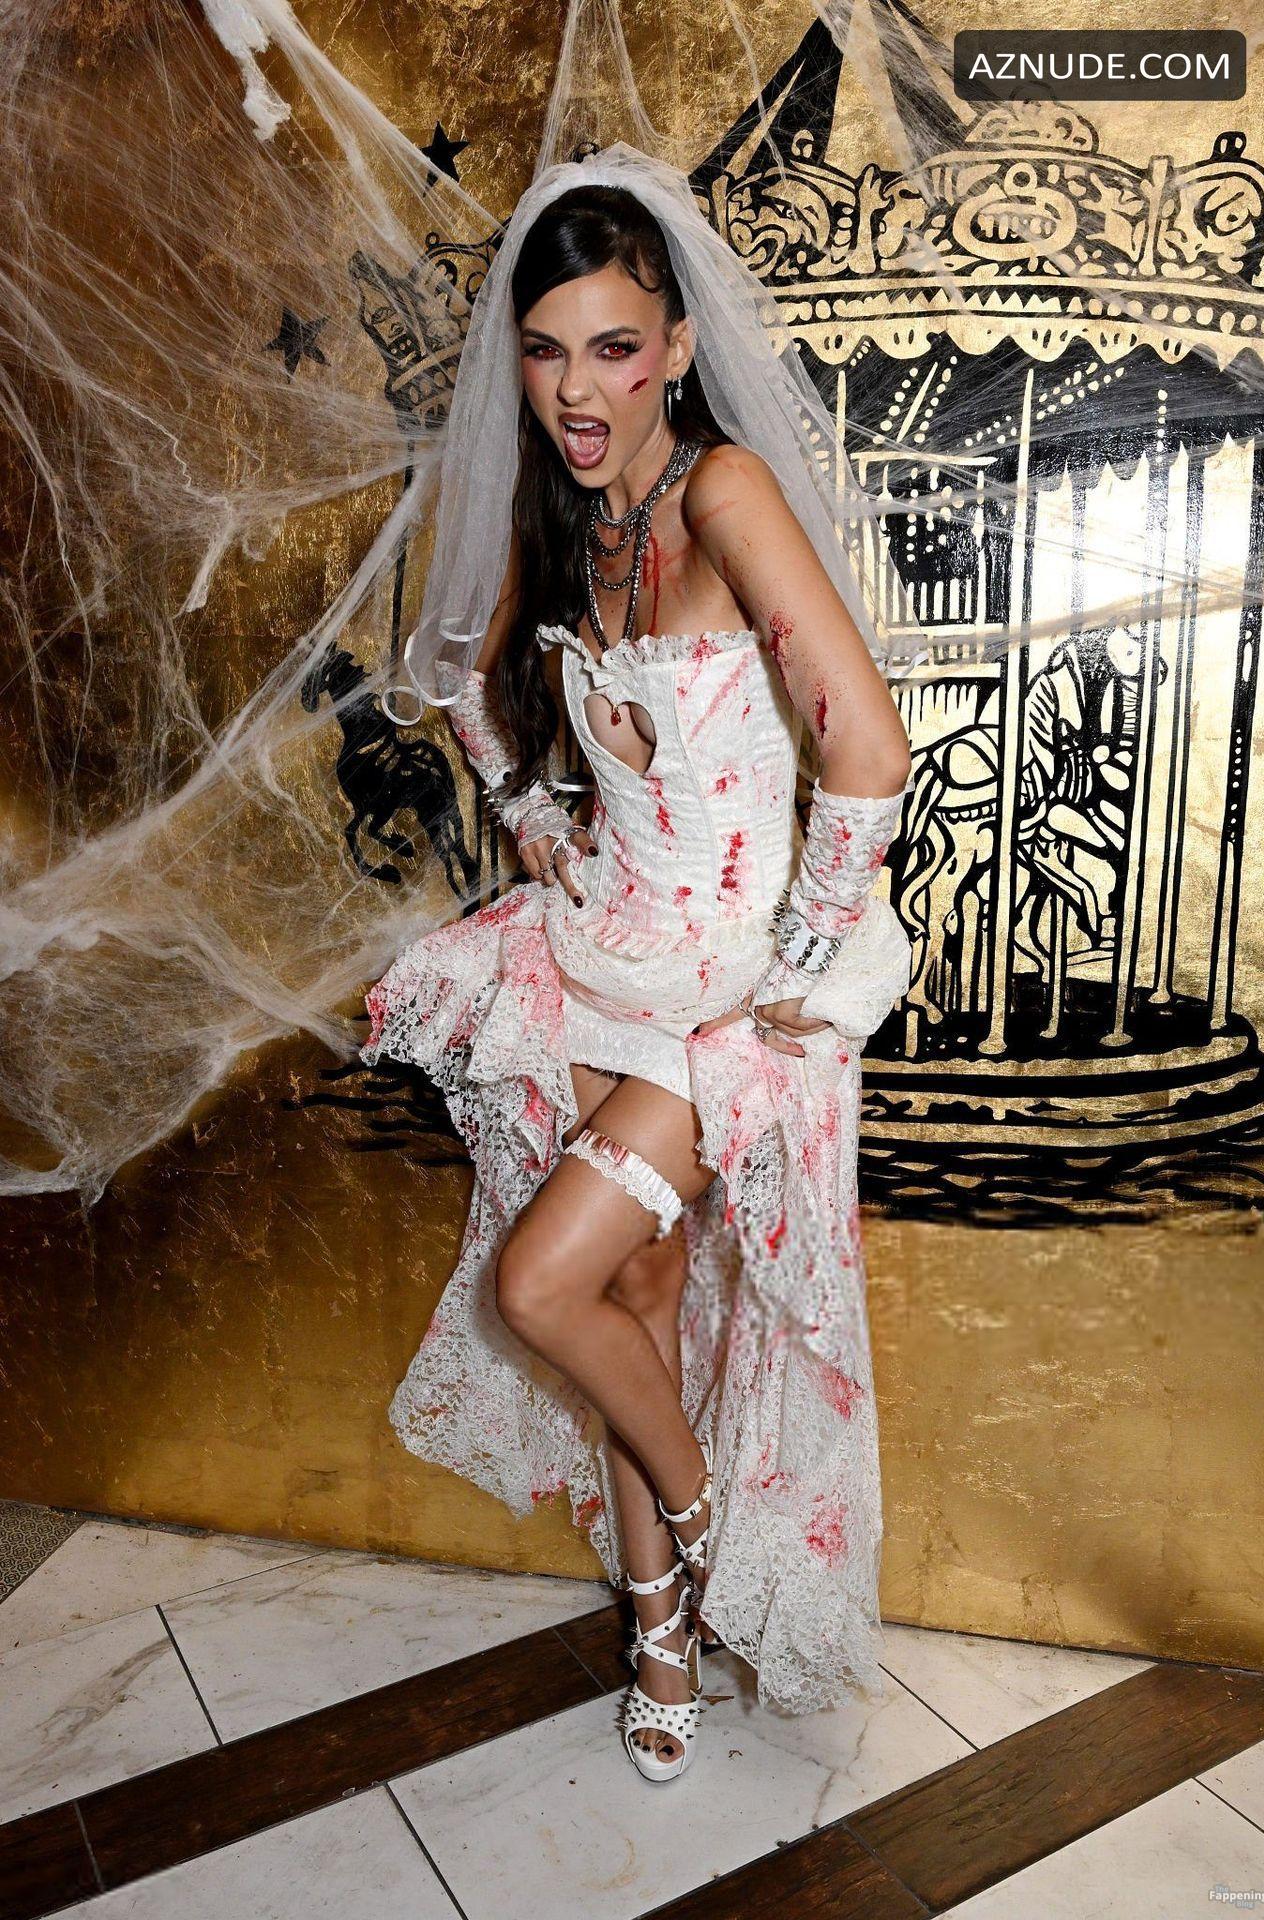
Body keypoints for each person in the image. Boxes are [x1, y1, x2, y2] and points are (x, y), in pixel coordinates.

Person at [361, 143, 918, 1782]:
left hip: (728, 993)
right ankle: (661, 1628)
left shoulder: (721, 493)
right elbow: (466, 668)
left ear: (676, 345)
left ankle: (698, 1507)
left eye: (614, 347)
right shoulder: (569, 514)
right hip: (604, 951)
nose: (575, 387)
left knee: (541, 1283)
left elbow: (867, 751)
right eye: (546, 351)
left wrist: (805, 957)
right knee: (634, 1296)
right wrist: (533, 813)